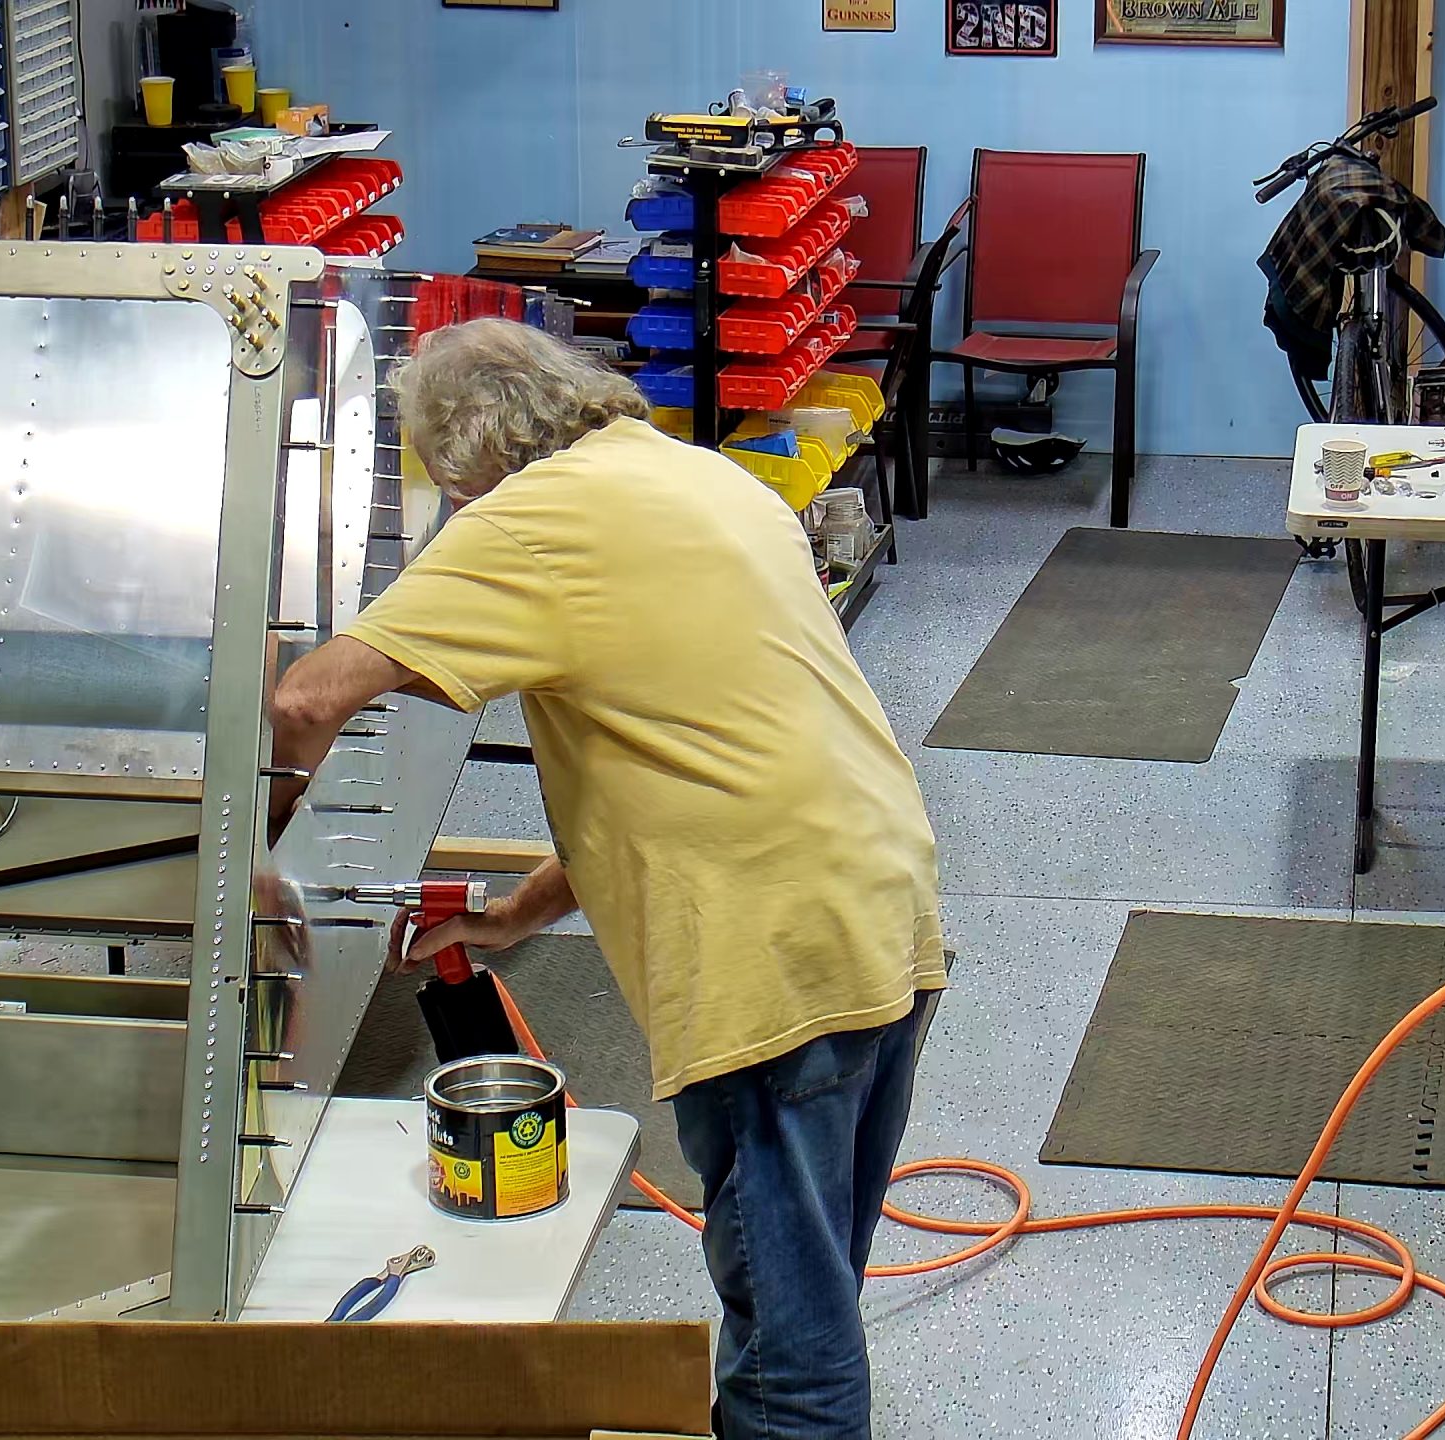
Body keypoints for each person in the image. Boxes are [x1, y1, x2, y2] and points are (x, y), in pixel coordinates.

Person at [264, 318, 945, 1440]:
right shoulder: (699, 477)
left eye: (449, 490)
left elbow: (305, 700)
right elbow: (684, 751)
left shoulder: (530, 521)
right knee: (813, 1290)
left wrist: (267, 833)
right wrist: (512, 914)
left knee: (787, 1353)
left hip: (766, 963)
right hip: (880, 910)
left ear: (469, 460)